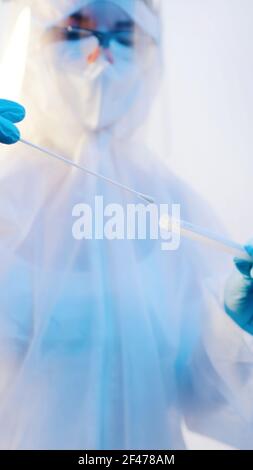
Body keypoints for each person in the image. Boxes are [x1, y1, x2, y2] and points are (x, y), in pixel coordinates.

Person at [0, 0, 253, 450]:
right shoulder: (6, 200)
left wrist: (235, 333)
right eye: (76, 31)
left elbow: (213, 401)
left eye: (124, 33)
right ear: (35, 40)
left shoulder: (176, 208)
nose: (102, 53)